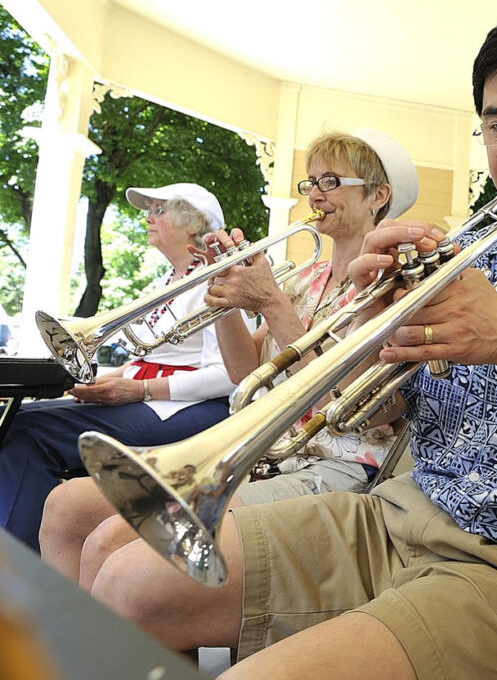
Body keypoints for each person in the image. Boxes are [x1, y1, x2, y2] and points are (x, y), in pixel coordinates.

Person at [88, 9, 497, 680]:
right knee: (128, 585)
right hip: (399, 518)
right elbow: (381, 415)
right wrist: (373, 327)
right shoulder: (471, 253)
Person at [38, 128, 419, 588]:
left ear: (379, 195)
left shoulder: (395, 281)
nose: (315, 194)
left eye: (331, 182)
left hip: (338, 463)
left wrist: (273, 305)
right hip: (266, 451)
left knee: (115, 544)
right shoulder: (307, 278)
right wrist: (222, 296)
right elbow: (246, 374)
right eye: (311, 182)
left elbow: (359, 408)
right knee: (66, 507)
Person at [0, 184, 235, 551]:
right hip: (155, 403)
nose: (148, 217)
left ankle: (19, 562)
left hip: (194, 410)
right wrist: (117, 376)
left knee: (30, 428)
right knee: (19, 418)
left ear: (194, 224)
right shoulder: (164, 281)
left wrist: (138, 389)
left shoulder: (218, 277)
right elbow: (152, 355)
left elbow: (227, 375)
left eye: (160, 209)